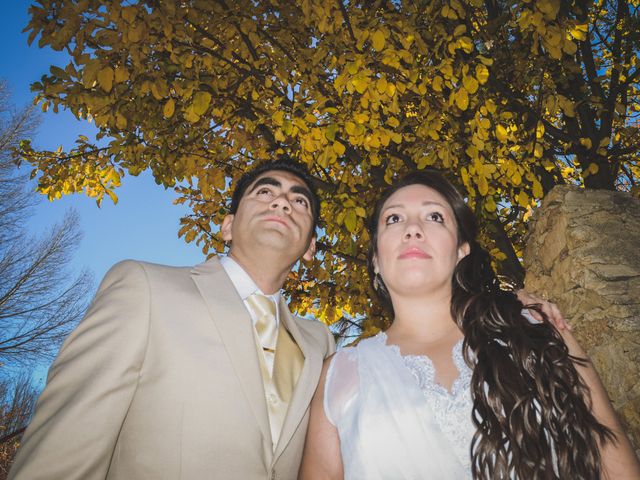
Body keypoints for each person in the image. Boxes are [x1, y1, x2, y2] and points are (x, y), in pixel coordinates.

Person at [300, 170, 640, 479]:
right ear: (375, 258)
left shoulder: (535, 329)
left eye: (434, 216)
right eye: (393, 219)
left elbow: (615, 463)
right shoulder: (337, 375)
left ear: (462, 248)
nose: (413, 229)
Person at [9, 159, 336, 480]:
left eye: (299, 200)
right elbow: (65, 445)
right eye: (265, 192)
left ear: (310, 247)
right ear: (227, 227)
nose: (282, 201)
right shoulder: (143, 288)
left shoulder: (320, 345)